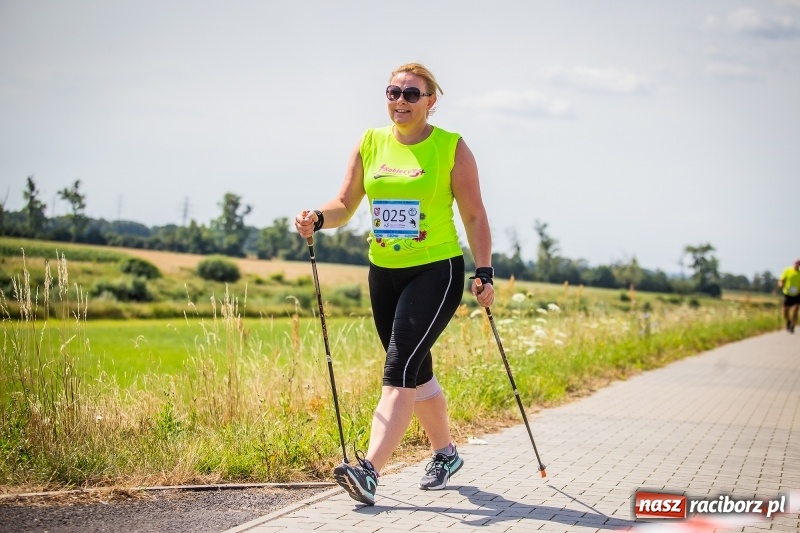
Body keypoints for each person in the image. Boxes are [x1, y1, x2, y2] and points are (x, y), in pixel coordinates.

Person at [294, 62, 494, 506]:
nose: (399, 101)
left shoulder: (450, 147)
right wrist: (319, 218)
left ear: (430, 102)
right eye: (392, 92)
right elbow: (346, 203)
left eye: (410, 94)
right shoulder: (370, 142)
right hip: (383, 272)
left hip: (436, 270)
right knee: (415, 370)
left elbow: (475, 214)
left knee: (399, 368)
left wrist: (484, 272)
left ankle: (368, 470)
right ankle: (446, 453)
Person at [778, 258, 800, 333]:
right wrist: (781, 285)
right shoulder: (787, 270)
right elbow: (781, 279)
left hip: (797, 294)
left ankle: (793, 326)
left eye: (798, 264)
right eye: (796, 264)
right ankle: (788, 321)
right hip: (787, 294)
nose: (797, 265)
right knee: (785, 312)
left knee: (796, 309)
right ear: (793, 264)